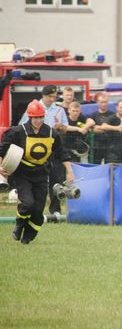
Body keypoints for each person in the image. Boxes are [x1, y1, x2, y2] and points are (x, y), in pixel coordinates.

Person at [0, 100, 74, 244]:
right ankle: (19, 224)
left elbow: (62, 153)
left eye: (41, 117)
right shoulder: (18, 131)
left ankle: (28, 238)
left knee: (38, 211)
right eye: (35, 118)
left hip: (41, 174)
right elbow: (2, 148)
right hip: (22, 173)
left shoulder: (51, 133)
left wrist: (69, 171)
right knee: (28, 203)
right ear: (30, 117)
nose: (38, 121)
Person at [19, 85, 68, 215]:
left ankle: (55, 210)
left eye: (54, 97)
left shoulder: (59, 110)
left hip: (52, 149)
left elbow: (66, 128)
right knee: (36, 181)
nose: (53, 99)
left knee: (56, 179)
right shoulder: (33, 107)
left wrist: (60, 127)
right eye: (50, 96)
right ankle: (31, 207)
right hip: (35, 151)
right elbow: (21, 127)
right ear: (44, 96)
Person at [89, 92, 114, 165]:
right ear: (98, 103)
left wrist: (101, 128)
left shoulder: (112, 115)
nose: (104, 104)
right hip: (97, 145)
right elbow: (93, 129)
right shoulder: (93, 115)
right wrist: (105, 128)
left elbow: (112, 128)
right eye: (102, 102)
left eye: (105, 102)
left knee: (109, 165)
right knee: (95, 165)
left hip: (109, 144)